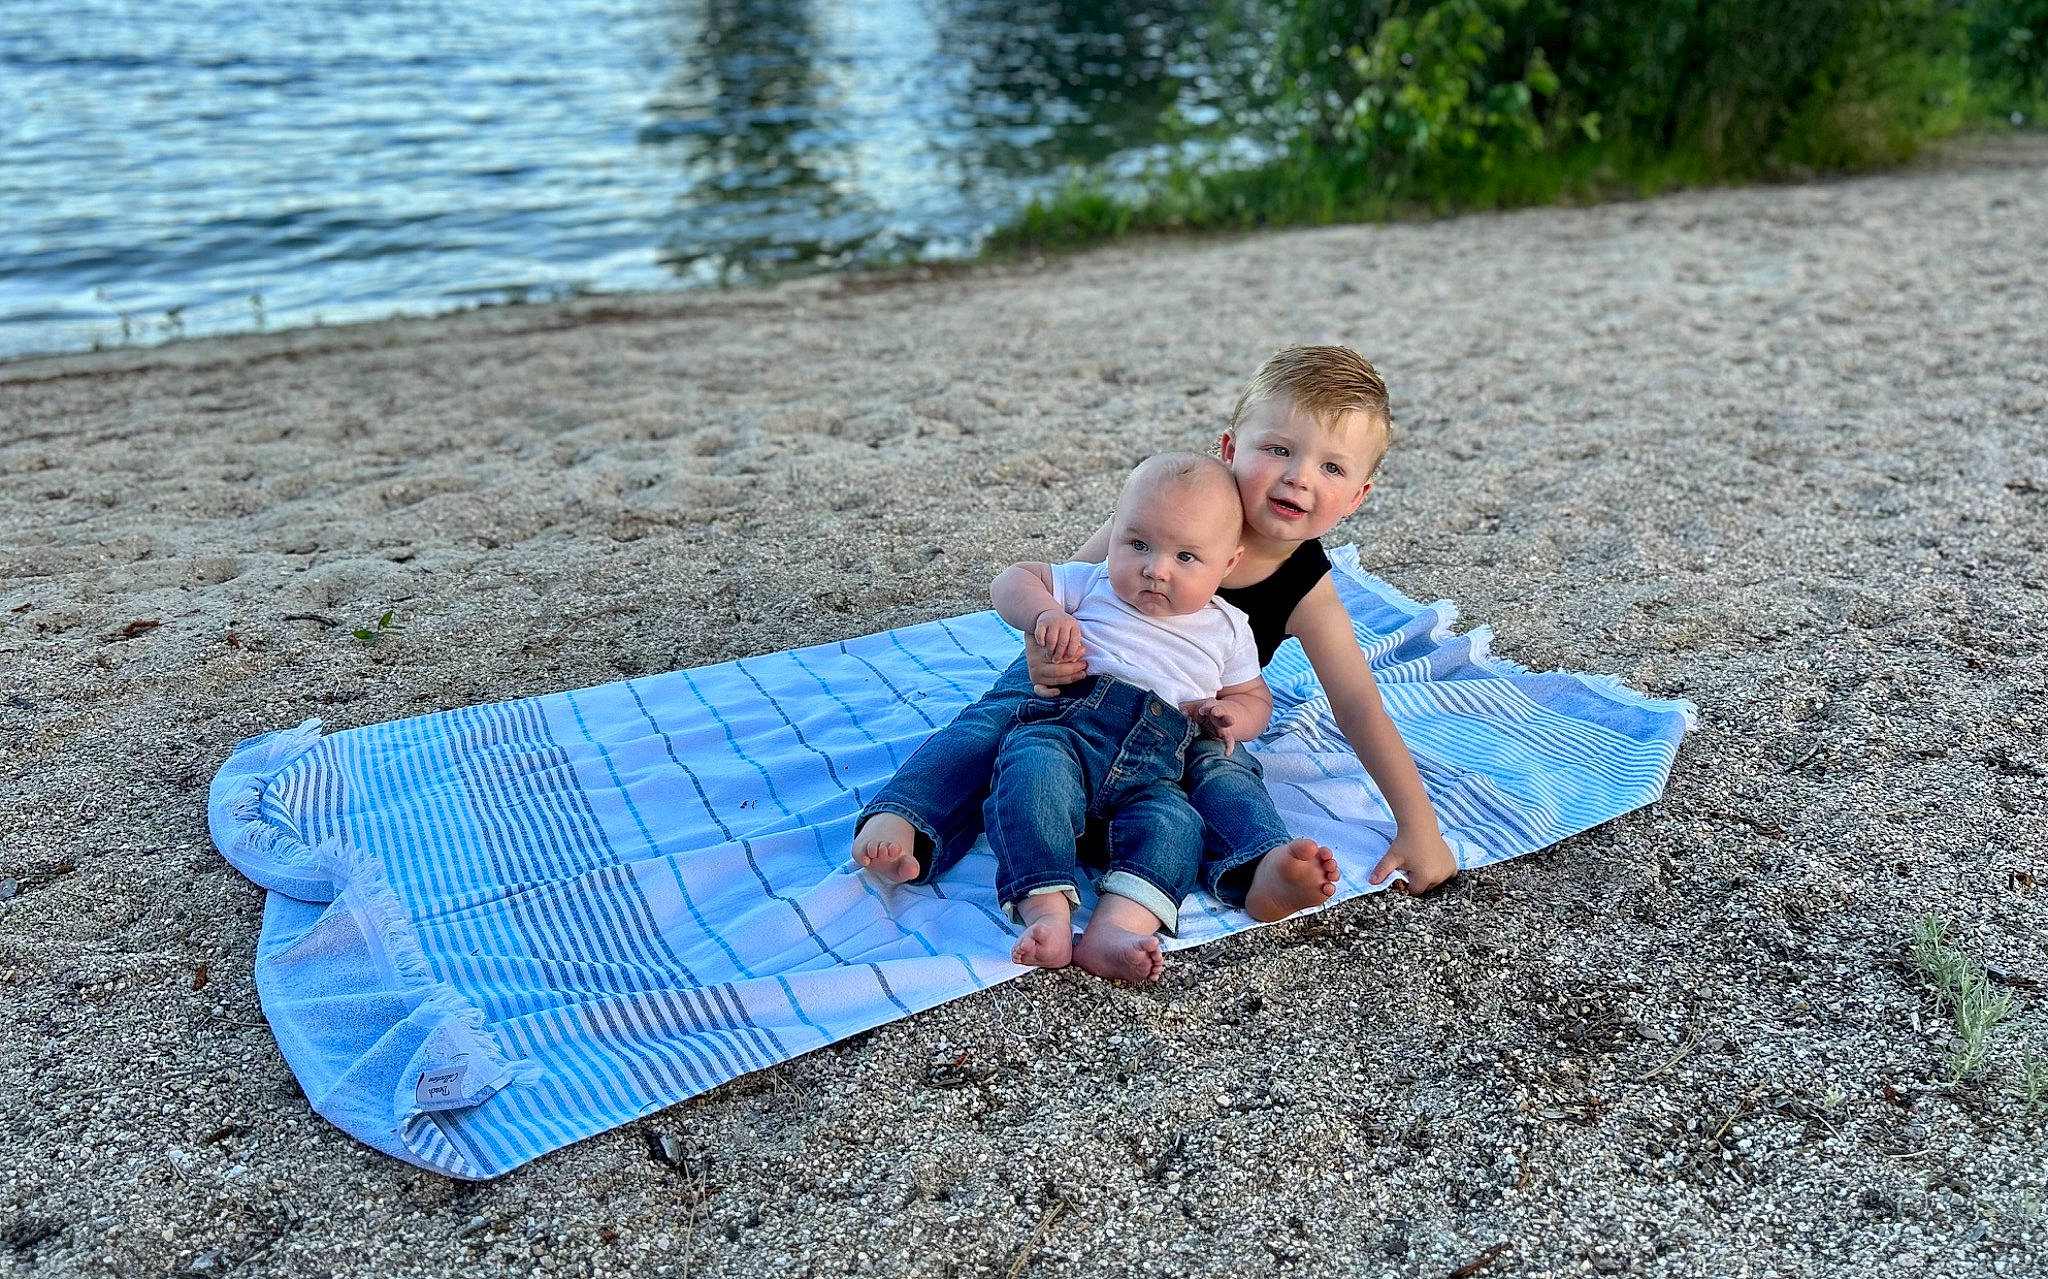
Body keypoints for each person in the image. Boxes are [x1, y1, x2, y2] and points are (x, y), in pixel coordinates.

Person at [854, 345, 1456, 920]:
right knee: (992, 722)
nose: (1299, 478)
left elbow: (1357, 705)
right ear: (1230, 448)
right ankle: (910, 816)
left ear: (1357, 495)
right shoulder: (1166, 504)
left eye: (1331, 467)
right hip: (1084, 674)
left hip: (1180, 717)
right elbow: (1075, 587)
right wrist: (1043, 646)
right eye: (1278, 449)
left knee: (1226, 775)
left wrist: (1418, 826)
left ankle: (1262, 869)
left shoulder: (1308, 592)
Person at [980, 452, 1266, 982]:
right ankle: (1046, 911)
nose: (1156, 568)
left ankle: (1115, 927)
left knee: (1176, 825)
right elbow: (1011, 580)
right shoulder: (1090, 585)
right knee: (1030, 772)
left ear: (1227, 563)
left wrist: (1229, 715)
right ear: (1115, 533)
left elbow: (1254, 699)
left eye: (1186, 557)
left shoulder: (1227, 628)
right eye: (1138, 544)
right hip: (1068, 730)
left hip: (1157, 766)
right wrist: (1045, 613)